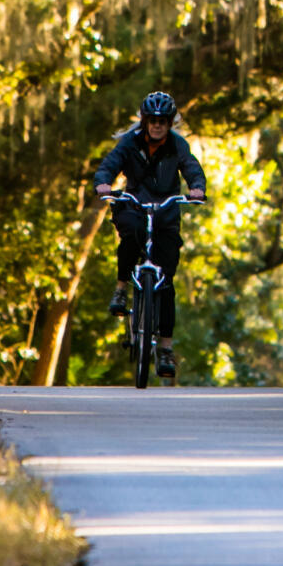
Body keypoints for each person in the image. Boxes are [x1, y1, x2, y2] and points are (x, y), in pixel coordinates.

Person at [92, 90, 207, 376]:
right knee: (131, 233)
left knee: (166, 282)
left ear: (169, 123)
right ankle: (121, 290)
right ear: (144, 121)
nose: (157, 125)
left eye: (162, 121)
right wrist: (103, 184)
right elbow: (109, 165)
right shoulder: (130, 144)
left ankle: (165, 349)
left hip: (166, 212)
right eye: (152, 120)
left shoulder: (178, 146)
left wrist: (197, 188)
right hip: (135, 205)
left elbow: (192, 168)